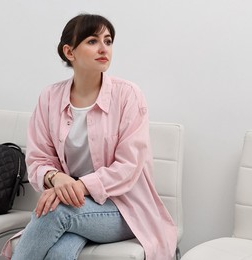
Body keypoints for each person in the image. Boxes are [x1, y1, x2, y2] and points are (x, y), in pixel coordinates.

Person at [11, 13, 176, 260]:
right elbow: (38, 158)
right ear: (70, 52)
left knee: (55, 212)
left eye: (108, 41)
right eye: (92, 41)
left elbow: (128, 166)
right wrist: (56, 180)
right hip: (76, 205)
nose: (103, 48)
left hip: (123, 209)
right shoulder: (49, 97)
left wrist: (77, 186)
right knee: (60, 251)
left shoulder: (128, 95)